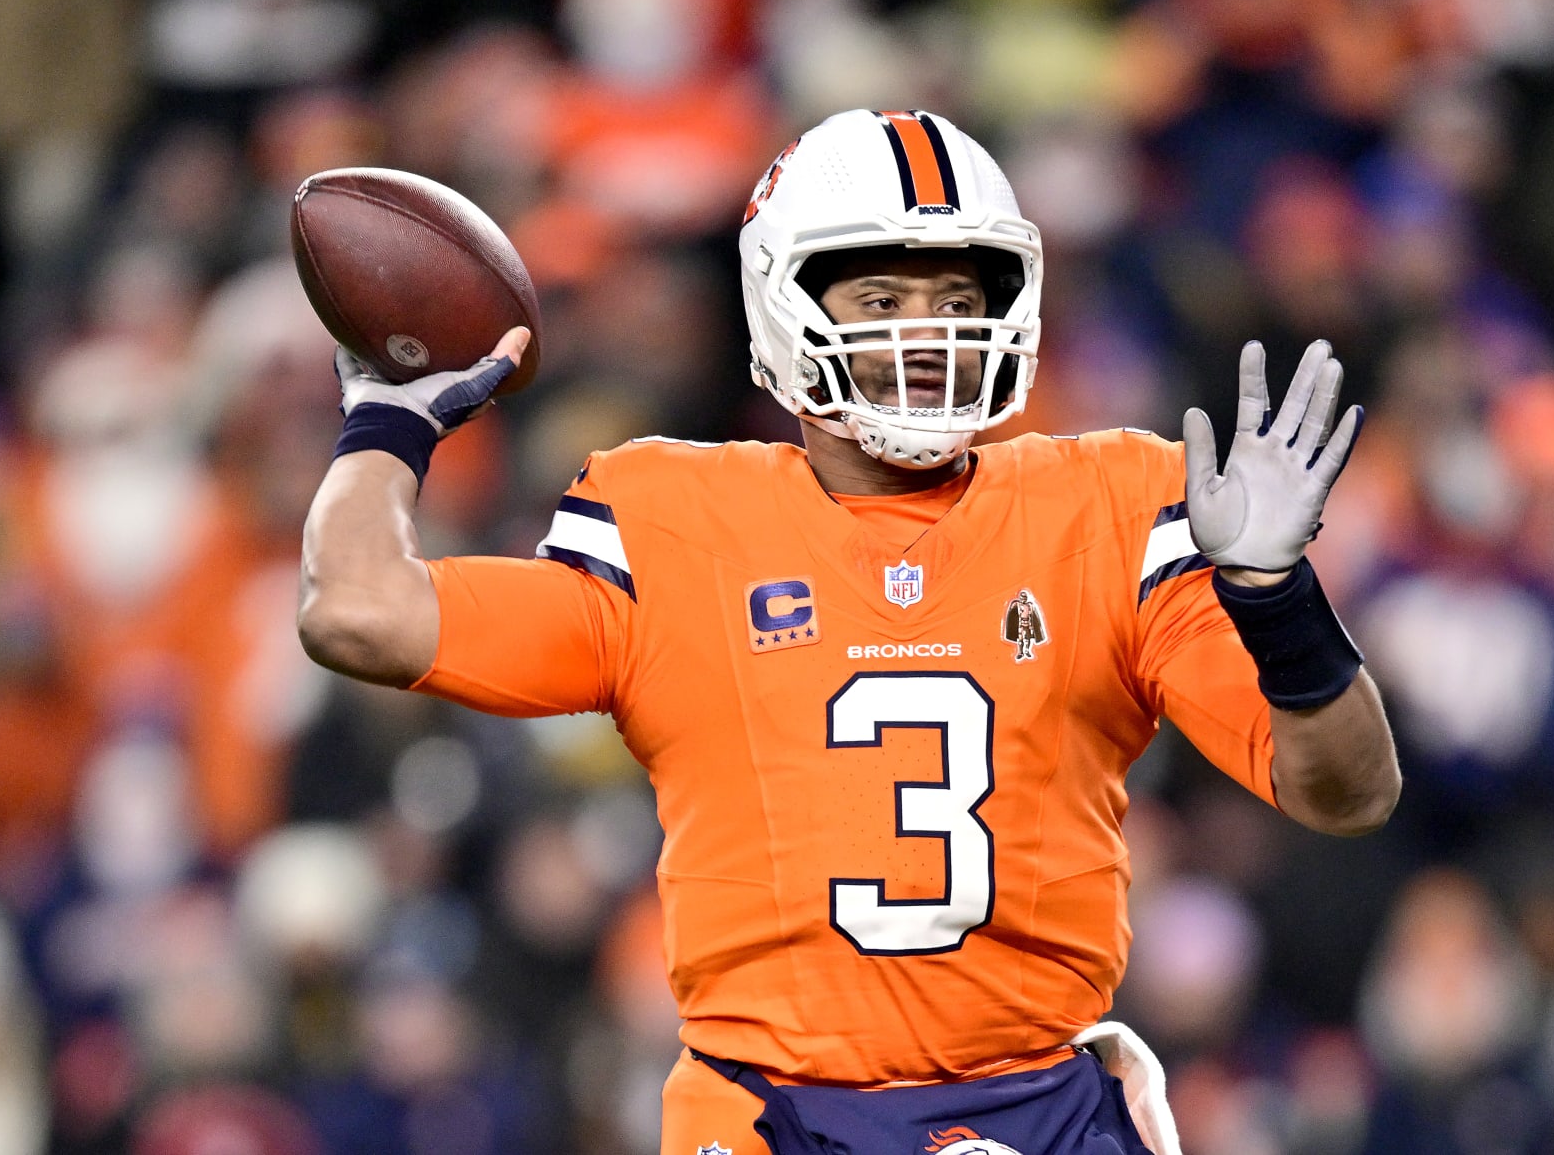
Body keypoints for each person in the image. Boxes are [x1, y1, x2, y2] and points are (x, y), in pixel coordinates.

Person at [297, 108, 1399, 1155]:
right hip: (771, 1114)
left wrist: (1276, 595)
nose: (926, 333)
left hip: (1040, 1108)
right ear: (786, 304)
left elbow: (1345, 792)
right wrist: (389, 422)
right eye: (879, 297)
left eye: (955, 292)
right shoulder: (675, 521)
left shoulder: (1112, 505)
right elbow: (359, 616)